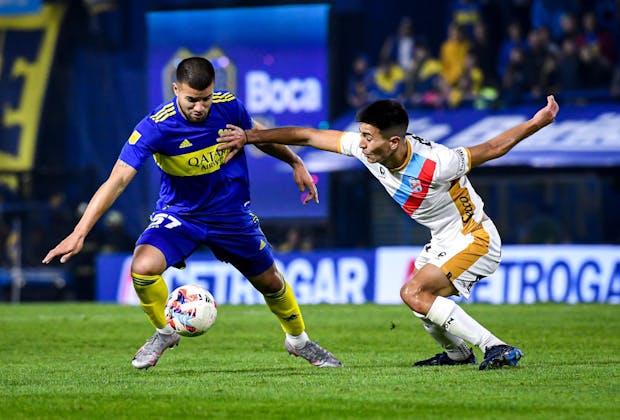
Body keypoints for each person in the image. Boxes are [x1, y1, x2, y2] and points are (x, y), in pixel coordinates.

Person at [217, 95, 559, 370]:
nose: (361, 144)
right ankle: (458, 354)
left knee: (413, 292)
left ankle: (495, 347)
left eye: (368, 137)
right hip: (444, 239)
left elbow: (493, 148)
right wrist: (250, 137)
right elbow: (307, 135)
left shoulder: (437, 162)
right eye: (362, 134)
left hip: (476, 237)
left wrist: (537, 122)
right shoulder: (369, 150)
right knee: (420, 303)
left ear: (394, 142)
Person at [42, 57, 342, 369]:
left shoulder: (230, 107)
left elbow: (258, 135)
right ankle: (164, 332)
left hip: (230, 214)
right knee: (142, 267)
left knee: (271, 283)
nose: (200, 107)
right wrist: (79, 233)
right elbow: (116, 180)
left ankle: (298, 341)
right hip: (182, 215)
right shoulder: (155, 128)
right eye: (192, 100)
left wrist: (294, 161)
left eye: (206, 99)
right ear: (175, 90)